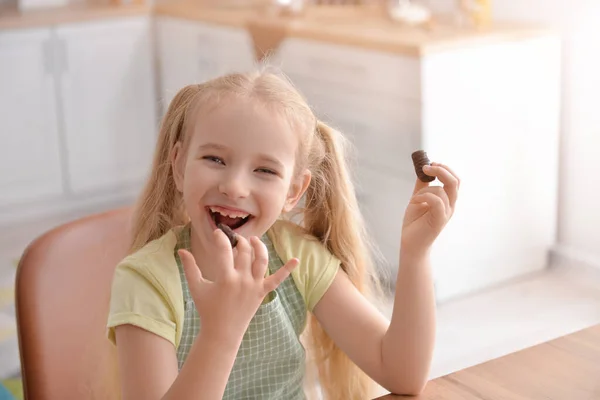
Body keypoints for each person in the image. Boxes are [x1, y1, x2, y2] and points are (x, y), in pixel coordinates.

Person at [106, 68, 460, 400]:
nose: (234, 187)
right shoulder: (146, 280)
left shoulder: (295, 256)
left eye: (264, 170)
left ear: (294, 191)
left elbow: (402, 373)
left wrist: (415, 254)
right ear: (179, 166)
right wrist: (221, 330)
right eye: (215, 159)